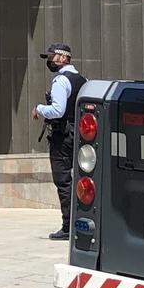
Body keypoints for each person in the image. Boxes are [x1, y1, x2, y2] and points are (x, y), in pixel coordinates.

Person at [33, 43, 85, 241]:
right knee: (82, 180)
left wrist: (39, 108)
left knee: (64, 181)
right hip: (79, 135)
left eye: (51, 57)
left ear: (63, 58)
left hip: (63, 136)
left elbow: (57, 110)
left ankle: (68, 226)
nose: (48, 61)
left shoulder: (61, 81)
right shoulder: (82, 80)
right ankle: (82, 223)